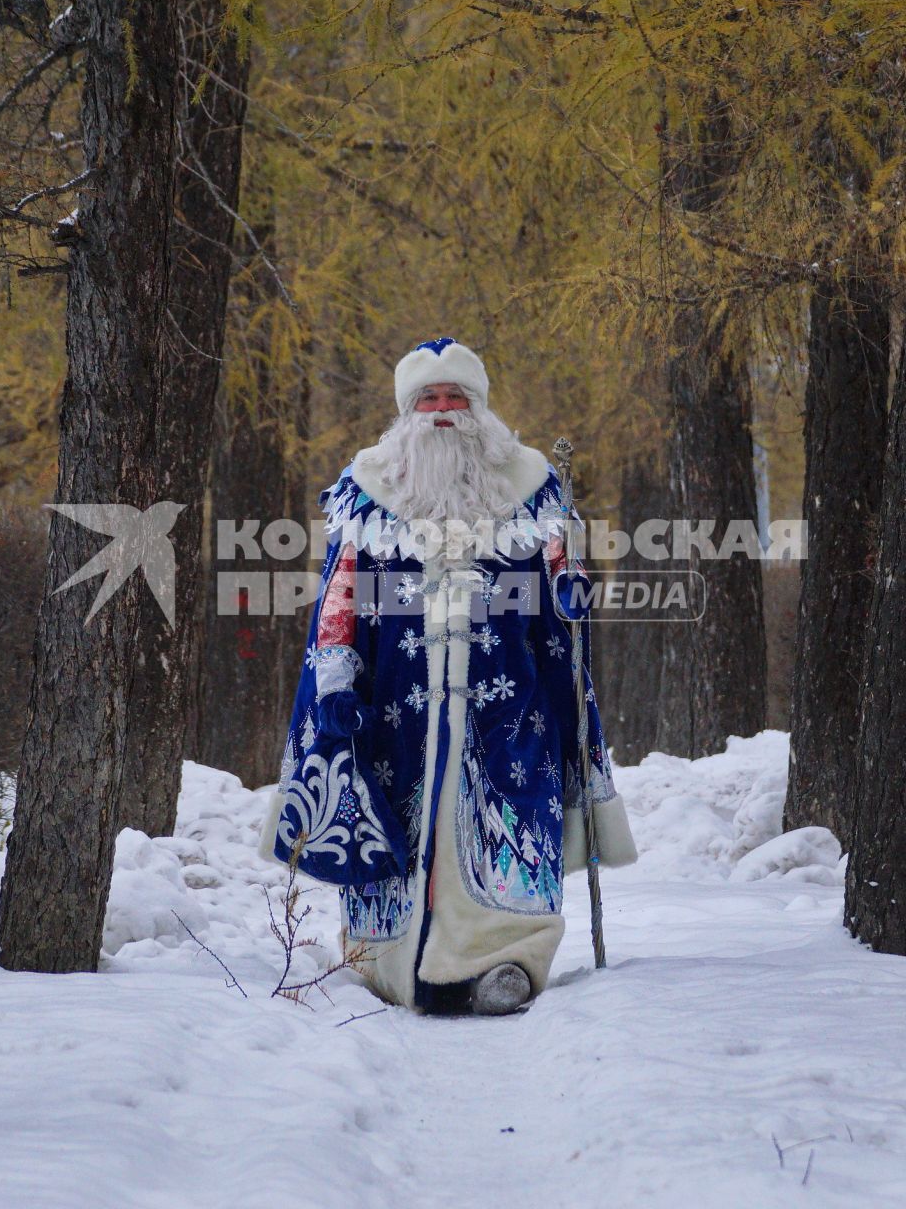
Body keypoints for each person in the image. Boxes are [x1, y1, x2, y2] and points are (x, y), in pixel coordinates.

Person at [255, 338, 638, 1015]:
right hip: (397, 701)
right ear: (406, 412)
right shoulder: (369, 487)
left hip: (509, 697)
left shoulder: (531, 483)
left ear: (479, 407)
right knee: (399, 825)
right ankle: (392, 967)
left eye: (454, 397)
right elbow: (340, 595)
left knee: (507, 822)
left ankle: (505, 963)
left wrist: (571, 583)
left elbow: (559, 571)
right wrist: (338, 679)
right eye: (427, 399)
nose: (441, 412)